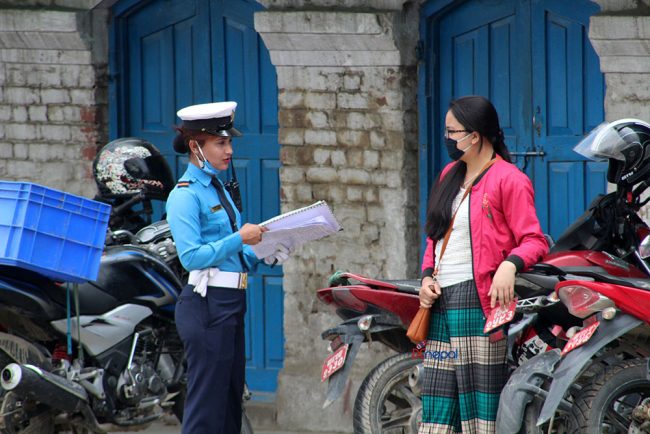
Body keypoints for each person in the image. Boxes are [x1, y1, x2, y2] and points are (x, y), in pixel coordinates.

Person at [418, 95, 548, 434]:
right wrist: (426, 277)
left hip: (479, 305)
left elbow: (534, 239)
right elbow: (434, 236)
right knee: (437, 408)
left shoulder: (509, 179)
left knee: (480, 411)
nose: (447, 138)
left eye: (452, 132)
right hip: (441, 304)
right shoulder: (448, 174)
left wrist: (510, 265)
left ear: (474, 136)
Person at [166, 101, 289, 434]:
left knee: (230, 407)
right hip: (207, 305)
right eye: (221, 143)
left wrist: (265, 251)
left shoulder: (218, 188)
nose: (230, 150)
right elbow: (191, 257)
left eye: (229, 142)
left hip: (230, 302)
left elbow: (233, 256)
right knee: (206, 411)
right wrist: (240, 238)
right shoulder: (185, 196)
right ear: (196, 147)